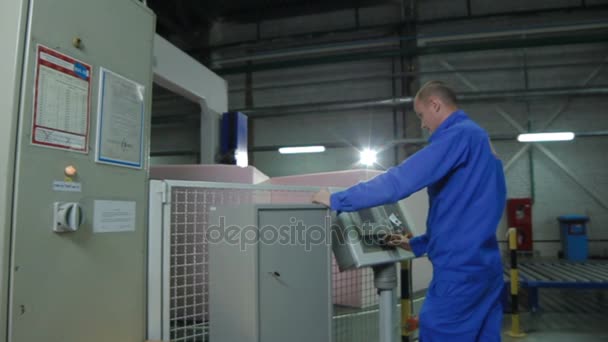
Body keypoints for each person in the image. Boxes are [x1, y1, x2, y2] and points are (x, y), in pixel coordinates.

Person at [313, 80, 506, 342]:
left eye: (421, 115)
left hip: (459, 273)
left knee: (440, 333)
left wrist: (337, 199)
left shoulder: (458, 135)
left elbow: (400, 180)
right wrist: (415, 244)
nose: (424, 125)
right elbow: (465, 214)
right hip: (487, 268)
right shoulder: (481, 141)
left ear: (435, 105)